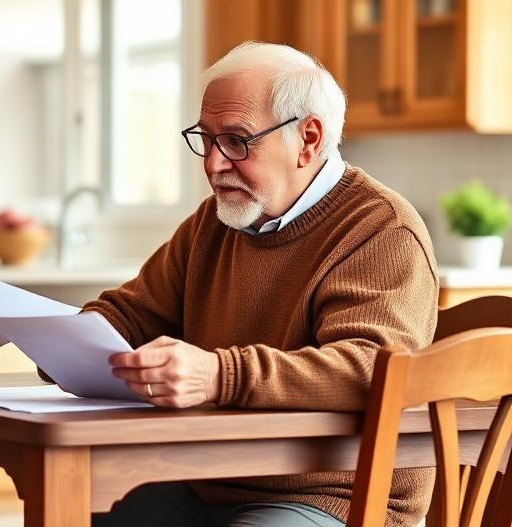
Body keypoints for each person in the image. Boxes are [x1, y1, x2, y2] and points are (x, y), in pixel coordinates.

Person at [87, 42, 438, 526]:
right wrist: (55, 338)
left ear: (308, 139)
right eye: (205, 139)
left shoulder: (381, 228)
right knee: (77, 509)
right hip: (208, 478)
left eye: (236, 140)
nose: (213, 164)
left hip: (336, 493)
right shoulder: (213, 222)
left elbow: (370, 367)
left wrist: (218, 374)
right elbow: (130, 314)